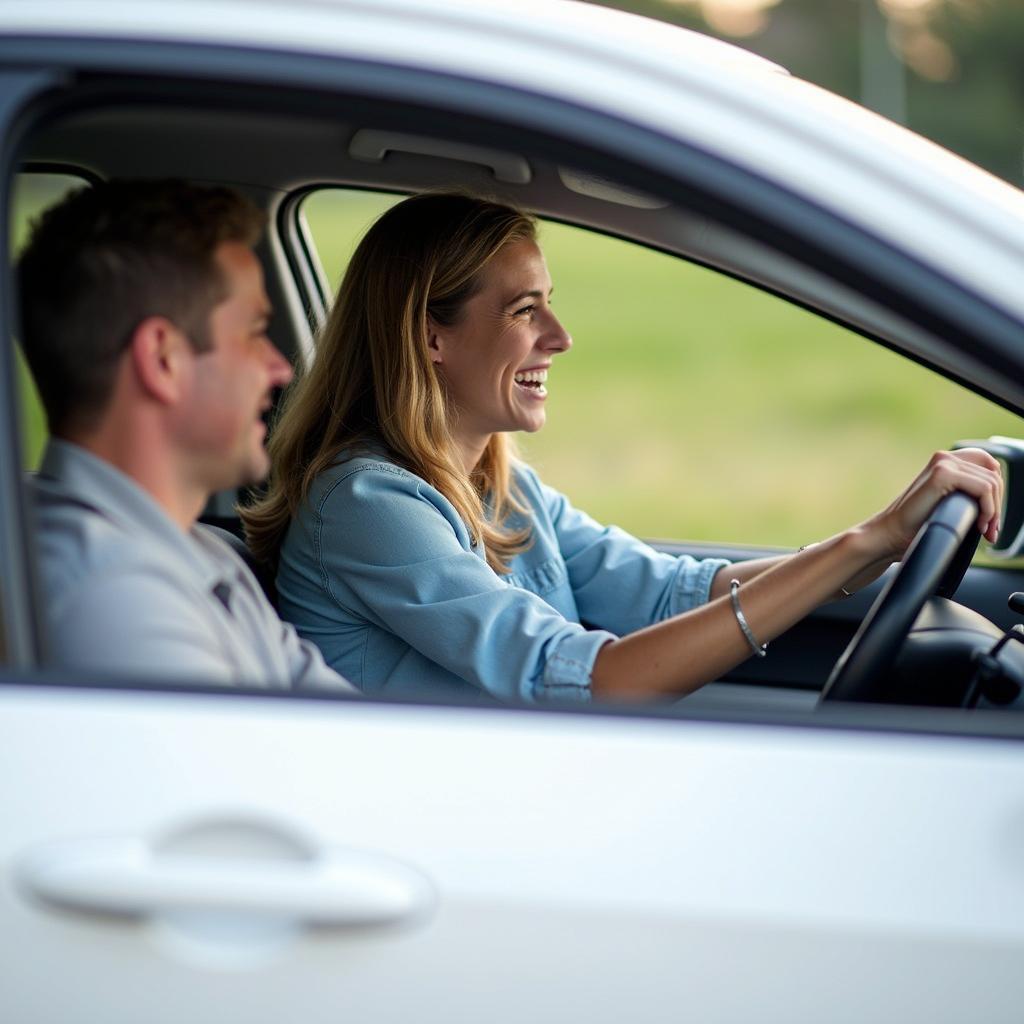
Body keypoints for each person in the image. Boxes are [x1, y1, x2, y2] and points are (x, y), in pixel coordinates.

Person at [240, 191, 1002, 704]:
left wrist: (884, 539)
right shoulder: (366, 505)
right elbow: (589, 681)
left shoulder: (499, 485)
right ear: (431, 335)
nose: (559, 339)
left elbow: (669, 593)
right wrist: (863, 542)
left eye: (551, 306)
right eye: (524, 310)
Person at [18, 179, 354, 693]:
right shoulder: (113, 598)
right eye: (255, 332)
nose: (280, 368)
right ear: (163, 360)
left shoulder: (201, 551)